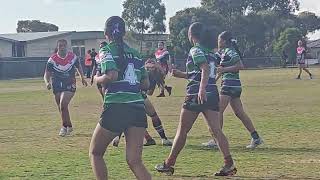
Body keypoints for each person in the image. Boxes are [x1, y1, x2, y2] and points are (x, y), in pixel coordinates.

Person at [155, 22, 237, 176]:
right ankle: (229, 164)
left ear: (191, 35)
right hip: (212, 92)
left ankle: (169, 164)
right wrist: (182, 75)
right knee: (216, 131)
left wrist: (201, 89)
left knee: (182, 130)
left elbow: (205, 68)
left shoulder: (196, 49)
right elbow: (201, 72)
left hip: (196, 94)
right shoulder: (211, 53)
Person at [89, 16, 151, 180]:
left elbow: (112, 75)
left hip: (116, 107)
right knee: (135, 161)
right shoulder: (136, 53)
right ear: (124, 33)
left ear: (105, 33)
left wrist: (96, 79)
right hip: (137, 108)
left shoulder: (105, 51)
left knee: (96, 153)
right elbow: (145, 84)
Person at [202, 31, 263, 149]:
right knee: (240, 113)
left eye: (219, 40)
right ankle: (256, 138)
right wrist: (213, 81)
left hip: (229, 85)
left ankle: (216, 140)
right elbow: (222, 69)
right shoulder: (225, 52)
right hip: (234, 85)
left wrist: (223, 71)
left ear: (224, 41)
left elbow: (240, 66)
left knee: (217, 111)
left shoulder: (231, 52)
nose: (218, 42)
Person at [44, 39, 88, 136]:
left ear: (67, 46)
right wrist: (47, 82)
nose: (62, 47)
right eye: (60, 46)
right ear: (57, 47)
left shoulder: (72, 57)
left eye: (64, 45)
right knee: (61, 107)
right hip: (56, 84)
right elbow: (46, 73)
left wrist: (82, 77)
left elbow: (79, 67)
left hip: (70, 83)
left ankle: (64, 127)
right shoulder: (52, 59)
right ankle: (69, 126)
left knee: (63, 104)